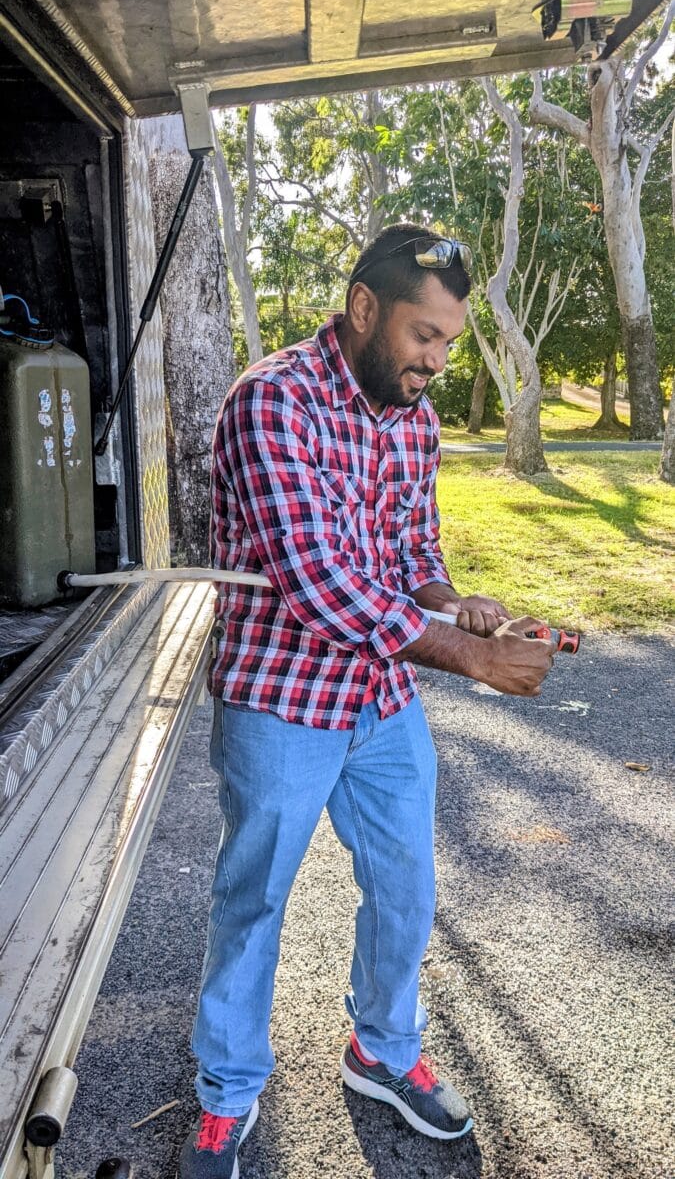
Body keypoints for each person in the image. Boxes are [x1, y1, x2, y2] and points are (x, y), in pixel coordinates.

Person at [178, 223, 555, 1178]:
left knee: (405, 887)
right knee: (253, 899)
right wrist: (470, 658)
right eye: (423, 336)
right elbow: (316, 583)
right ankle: (227, 1093)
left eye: (447, 342)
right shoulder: (272, 401)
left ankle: (382, 1051)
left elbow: (408, 555)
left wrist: (456, 603)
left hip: (379, 700)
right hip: (280, 699)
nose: (435, 360)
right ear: (362, 309)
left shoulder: (413, 417)